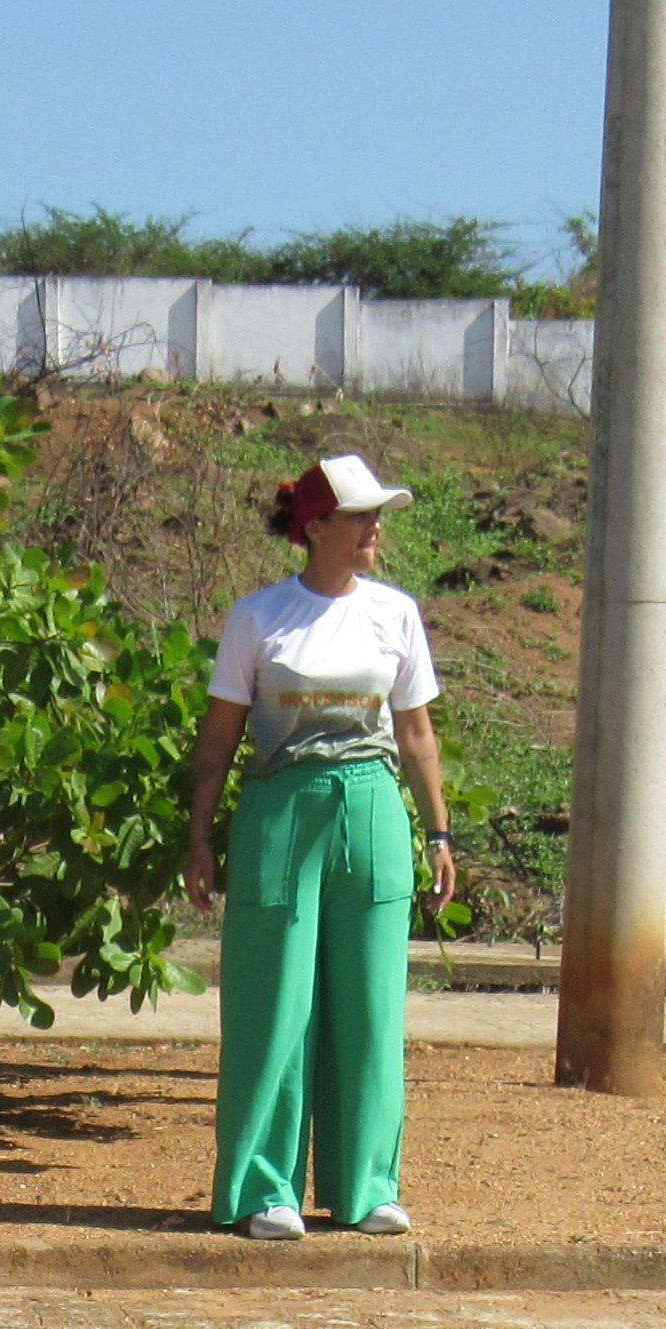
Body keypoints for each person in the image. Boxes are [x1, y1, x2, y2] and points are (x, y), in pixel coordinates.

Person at [180, 453, 457, 1240]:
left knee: (370, 1005)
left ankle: (366, 1188)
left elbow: (416, 733)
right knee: (273, 1004)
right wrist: (199, 837)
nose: (375, 529)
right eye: (360, 516)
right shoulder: (258, 617)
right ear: (315, 526)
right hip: (280, 809)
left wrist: (439, 833)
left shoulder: (396, 614)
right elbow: (219, 739)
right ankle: (263, 1189)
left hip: (372, 811)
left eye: (377, 516)